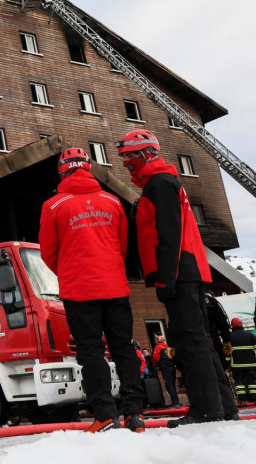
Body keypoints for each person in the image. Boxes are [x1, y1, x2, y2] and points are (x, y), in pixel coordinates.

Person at [117, 129, 239, 426]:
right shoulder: (162, 182)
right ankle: (223, 406)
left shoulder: (159, 184)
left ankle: (206, 410)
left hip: (179, 270)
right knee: (200, 339)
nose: (125, 163)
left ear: (146, 153)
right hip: (187, 268)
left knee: (189, 340)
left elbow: (168, 235)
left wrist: (165, 278)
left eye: (129, 156)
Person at [39, 147, 145, 432]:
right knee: (123, 349)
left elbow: (48, 253)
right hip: (115, 287)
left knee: (91, 352)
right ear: (88, 168)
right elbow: (122, 247)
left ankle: (105, 416)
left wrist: (71, 272)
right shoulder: (112, 201)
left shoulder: (53, 206)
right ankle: (135, 415)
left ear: (62, 171)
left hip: (79, 291)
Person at [228, 317, 256, 405]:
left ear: (232, 326)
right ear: (241, 324)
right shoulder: (250, 335)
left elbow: (227, 352)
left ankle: (243, 401)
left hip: (236, 365)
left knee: (239, 383)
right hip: (251, 364)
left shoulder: (229, 336)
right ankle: (255, 399)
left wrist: (228, 363)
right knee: (253, 381)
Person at [205, 291, 232, 371]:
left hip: (192, 346)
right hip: (212, 341)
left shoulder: (182, 301)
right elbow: (223, 322)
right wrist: (226, 341)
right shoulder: (210, 301)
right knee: (219, 370)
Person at [153, 335, 180, 407]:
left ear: (158, 340)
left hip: (165, 367)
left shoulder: (157, 347)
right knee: (173, 384)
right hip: (172, 367)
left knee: (169, 385)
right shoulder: (168, 347)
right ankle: (176, 401)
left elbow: (156, 358)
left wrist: (156, 366)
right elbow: (173, 357)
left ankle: (175, 403)